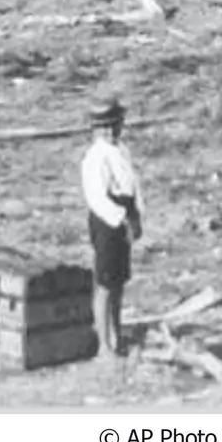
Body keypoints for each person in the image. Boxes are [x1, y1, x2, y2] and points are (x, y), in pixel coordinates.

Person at [80, 97, 142, 356]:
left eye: (114, 125)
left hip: (124, 213)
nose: (110, 132)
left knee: (118, 282)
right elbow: (96, 197)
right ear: (95, 129)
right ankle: (103, 346)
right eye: (104, 127)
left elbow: (133, 186)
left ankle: (116, 335)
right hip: (106, 219)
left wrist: (136, 216)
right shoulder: (95, 157)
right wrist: (121, 218)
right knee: (105, 283)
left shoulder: (121, 150)